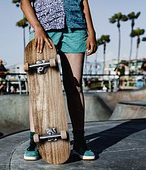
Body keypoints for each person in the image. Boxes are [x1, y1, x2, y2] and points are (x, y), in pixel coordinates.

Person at [21, 0, 97, 161]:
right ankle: (34, 140)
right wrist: (37, 28)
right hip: (44, 29)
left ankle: (79, 141)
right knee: (39, 88)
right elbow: (24, 2)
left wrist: (91, 32)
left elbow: (83, 2)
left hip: (75, 28)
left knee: (75, 87)